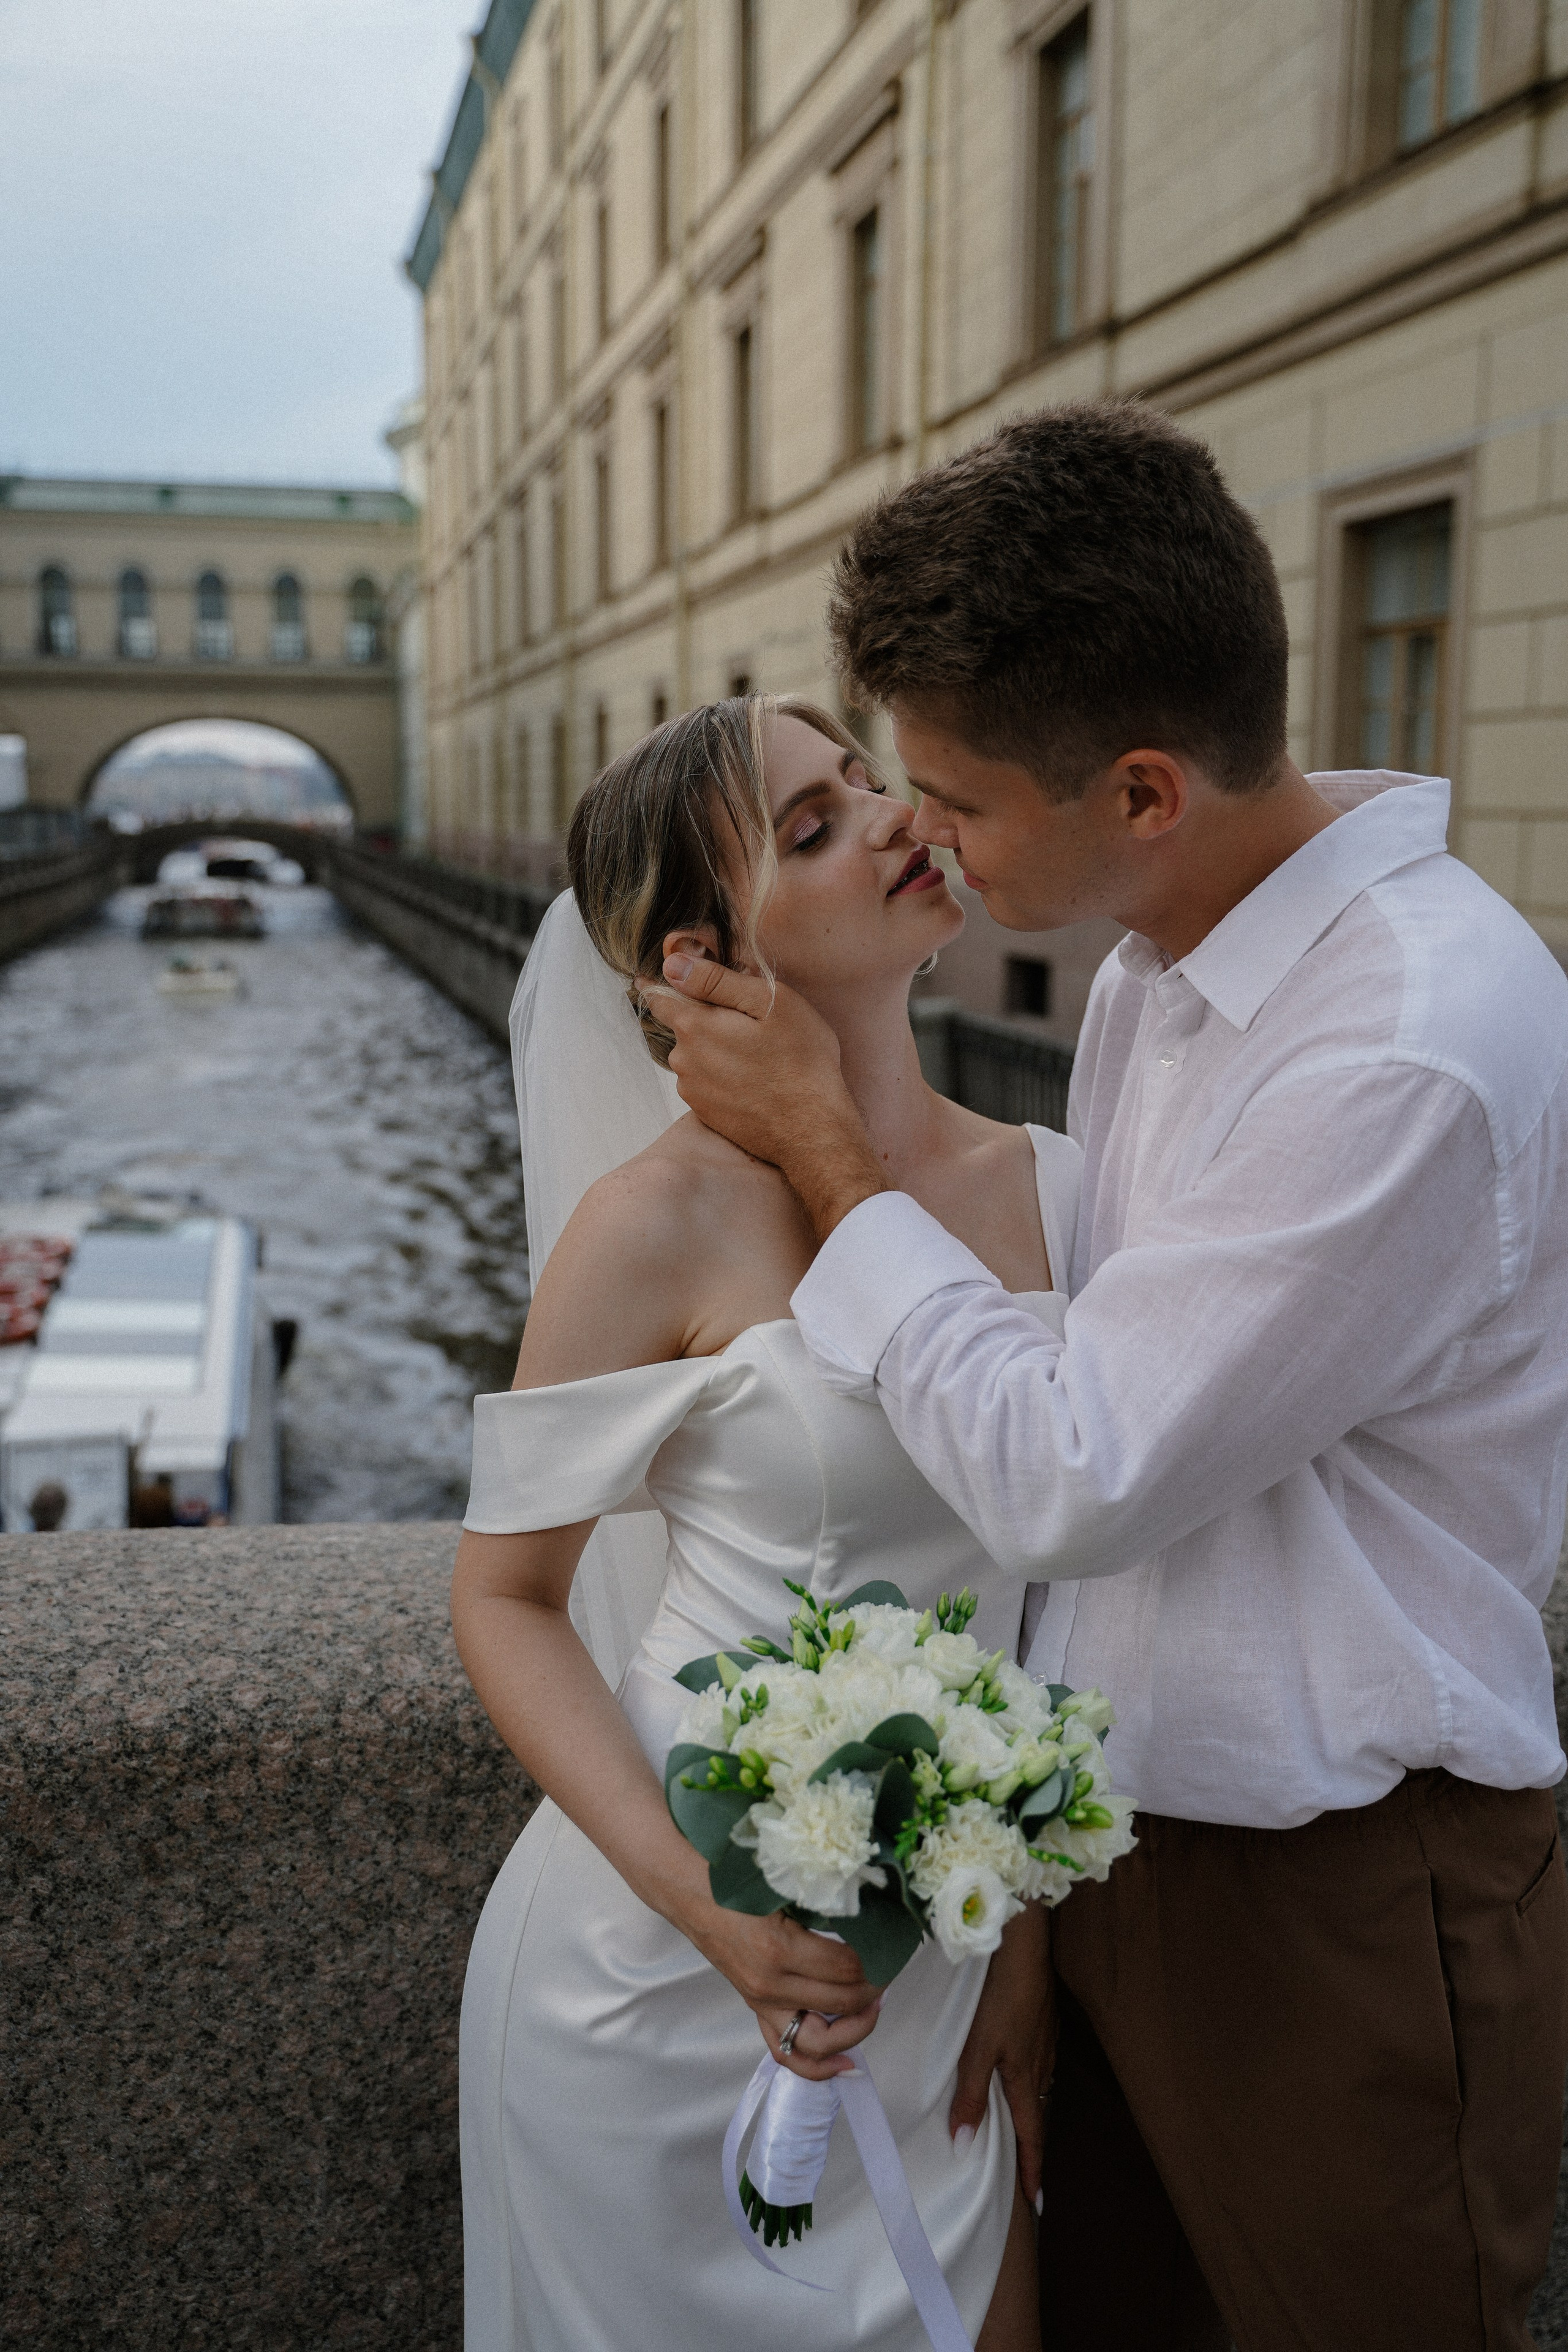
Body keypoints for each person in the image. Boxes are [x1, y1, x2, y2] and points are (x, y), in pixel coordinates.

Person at [654, 402, 1568, 2352]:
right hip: (1130, 1847)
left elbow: (1078, 1466)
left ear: (1143, 789)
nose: (931, 840)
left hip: (1339, 1895)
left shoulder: (1405, 1040)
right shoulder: (1163, 965)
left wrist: (831, 1155)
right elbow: (1118, 1491)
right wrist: (1049, 1903)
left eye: (960, 804)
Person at [451, 696, 1078, 2352]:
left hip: (941, 1958)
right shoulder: (648, 1229)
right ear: (702, 960)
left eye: (867, 782)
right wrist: (701, 1902)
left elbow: (1083, 1581)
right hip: (648, 1974)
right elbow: (504, 1599)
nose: (888, 818)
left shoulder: (1061, 1187)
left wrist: (1027, 1945)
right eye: (812, 828)